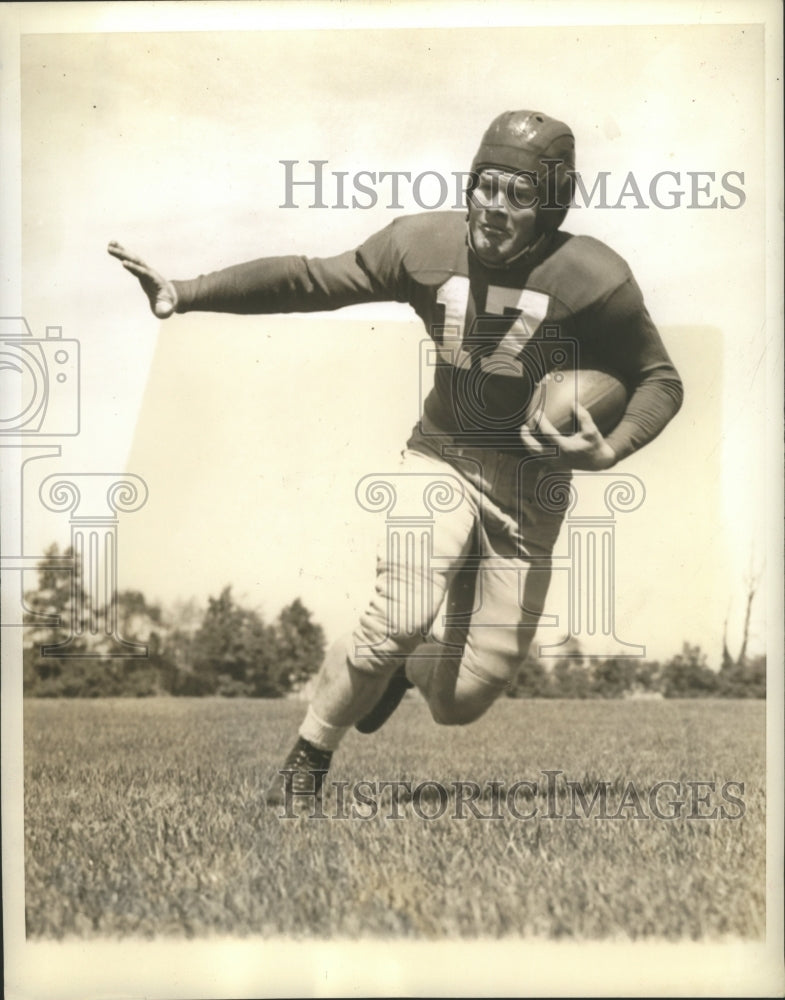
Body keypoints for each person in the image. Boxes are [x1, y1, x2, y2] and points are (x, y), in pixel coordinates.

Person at [108, 110, 683, 809]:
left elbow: (659, 377)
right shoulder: (422, 243)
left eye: (518, 194)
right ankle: (307, 761)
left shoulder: (593, 275)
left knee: (462, 700)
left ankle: (409, 673)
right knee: (399, 613)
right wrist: (187, 292)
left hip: (533, 485)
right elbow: (311, 281)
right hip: (442, 453)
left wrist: (610, 449)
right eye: (485, 185)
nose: (494, 207)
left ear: (549, 204)